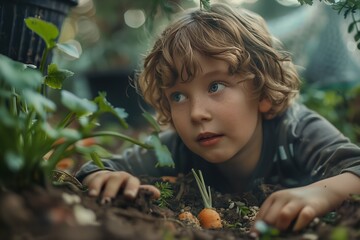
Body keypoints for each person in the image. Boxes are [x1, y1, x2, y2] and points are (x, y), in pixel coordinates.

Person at [75, 2, 360, 234]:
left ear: (261, 91)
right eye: (178, 96)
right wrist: (107, 178)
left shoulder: (295, 129)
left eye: (215, 86)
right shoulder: (177, 147)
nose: (197, 113)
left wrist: (320, 194)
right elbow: (95, 170)